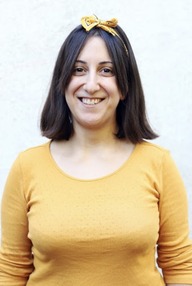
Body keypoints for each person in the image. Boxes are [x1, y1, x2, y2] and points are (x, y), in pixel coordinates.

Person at [0, 14, 192, 286]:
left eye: (106, 70)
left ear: (125, 86)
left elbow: (179, 266)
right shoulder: (27, 166)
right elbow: (11, 270)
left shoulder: (158, 163)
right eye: (78, 70)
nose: (91, 84)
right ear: (63, 83)